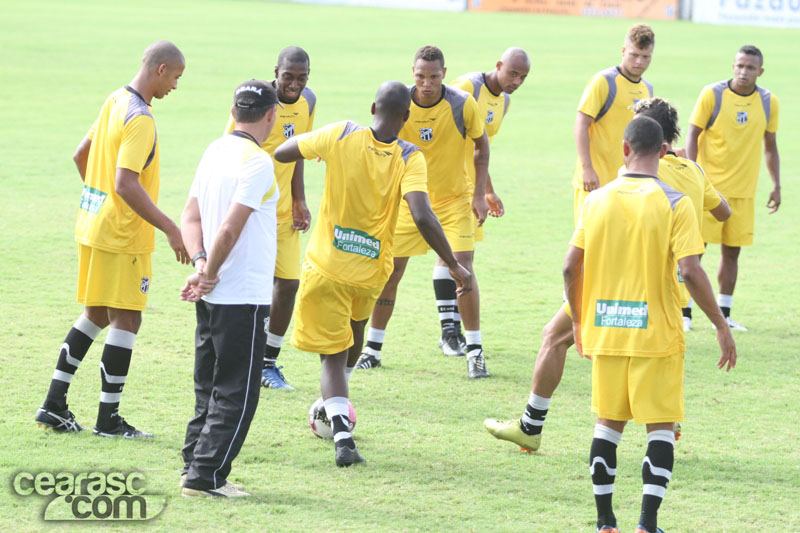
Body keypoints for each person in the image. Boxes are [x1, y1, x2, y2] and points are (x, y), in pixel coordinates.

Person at [483, 97, 731, 453]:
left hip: (619, 286)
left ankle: (530, 427)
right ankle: (666, 423)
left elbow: (584, 251)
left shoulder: (638, 173)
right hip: (671, 294)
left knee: (554, 337)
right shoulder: (693, 172)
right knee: (653, 355)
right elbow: (723, 212)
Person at [273, 80, 472, 466]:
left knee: (332, 356)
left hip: (328, 266)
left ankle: (342, 434)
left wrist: (320, 152)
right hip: (370, 271)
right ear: (406, 117)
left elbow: (283, 152)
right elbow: (421, 214)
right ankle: (336, 404)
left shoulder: (341, 133)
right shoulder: (410, 156)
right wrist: (452, 261)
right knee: (354, 335)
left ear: (372, 107)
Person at [564, 116, 736, 533]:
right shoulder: (675, 202)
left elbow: (570, 267)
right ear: (664, 152)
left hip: (605, 329)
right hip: (655, 334)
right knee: (660, 429)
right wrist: (720, 324)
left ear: (624, 148)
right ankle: (646, 524)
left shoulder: (596, 199)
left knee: (607, 423)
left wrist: (578, 322)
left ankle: (605, 522)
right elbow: (692, 271)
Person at [34, 40, 188, 438]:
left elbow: (80, 154)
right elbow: (125, 182)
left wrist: (99, 200)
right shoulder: (141, 118)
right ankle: (108, 419)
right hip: (123, 235)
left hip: (93, 224)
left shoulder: (115, 100)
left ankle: (53, 404)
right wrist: (171, 228)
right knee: (128, 318)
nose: (175, 85)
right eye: (176, 77)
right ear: (161, 69)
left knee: (97, 313)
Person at [356, 45, 490, 379]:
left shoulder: (462, 103)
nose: (427, 83)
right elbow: (380, 148)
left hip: (454, 202)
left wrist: (480, 194)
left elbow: (481, 145)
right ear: (412, 73)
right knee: (389, 273)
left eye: (433, 76)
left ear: (444, 73)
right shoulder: (399, 103)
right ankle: (372, 350)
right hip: (409, 203)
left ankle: (474, 351)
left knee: (463, 270)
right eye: (420, 76)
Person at [179, 80, 280, 498]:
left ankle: (193, 465)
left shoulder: (214, 149)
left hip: (212, 295)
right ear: (272, 115)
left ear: (234, 110)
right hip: (242, 296)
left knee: (209, 384)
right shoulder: (258, 163)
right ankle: (206, 478)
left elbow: (190, 217)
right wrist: (210, 272)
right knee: (237, 390)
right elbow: (230, 227)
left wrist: (201, 266)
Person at [223, 46, 316, 390]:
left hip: (282, 211)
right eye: (288, 76)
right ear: (275, 71)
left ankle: (267, 362)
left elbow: (301, 149)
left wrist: (299, 199)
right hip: (251, 209)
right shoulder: (255, 99)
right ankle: (234, 357)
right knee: (248, 287)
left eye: (301, 77)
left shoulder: (309, 101)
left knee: (289, 284)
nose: (294, 83)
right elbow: (229, 149)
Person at [428, 47, 530, 356]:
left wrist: (486, 189)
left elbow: (480, 147)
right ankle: (449, 334)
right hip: (444, 183)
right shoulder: (467, 87)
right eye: (512, 73)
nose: (516, 81)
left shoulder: (505, 102)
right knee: (451, 258)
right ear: (498, 65)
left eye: (523, 77)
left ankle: (452, 333)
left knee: (453, 257)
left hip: (468, 184)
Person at [685, 44, 781, 331]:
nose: (743, 72)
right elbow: (692, 134)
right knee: (694, 251)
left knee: (732, 252)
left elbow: (771, 146)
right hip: (708, 191)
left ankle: (724, 313)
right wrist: (694, 174)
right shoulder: (712, 95)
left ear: (760, 71)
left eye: (750, 68)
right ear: (733, 66)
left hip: (743, 193)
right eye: (739, 66)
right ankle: (684, 311)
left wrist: (776, 184)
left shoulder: (768, 102)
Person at [573, 24, 655, 225]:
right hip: (596, 182)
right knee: (588, 247)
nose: (639, 62)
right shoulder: (604, 82)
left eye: (646, 57)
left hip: (628, 185)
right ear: (623, 50)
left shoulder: (647, 89)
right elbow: (581, 124)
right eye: (634, 55)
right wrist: (587, 169)